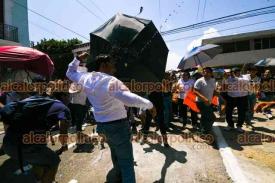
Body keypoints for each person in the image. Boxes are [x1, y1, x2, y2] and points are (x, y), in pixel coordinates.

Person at [66, 52, 155, 183]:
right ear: (103, 65)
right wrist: (150, 105)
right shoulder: (111, 81)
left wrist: (77, 59)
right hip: (118, 127)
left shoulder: (85, 78)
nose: (115, 68)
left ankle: (118, 175)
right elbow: (129, 99)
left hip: (102, 127)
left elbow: (70, 72)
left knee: (114, 150)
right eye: (112, 65)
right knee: (127, 163)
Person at [0, 94, 71, 183]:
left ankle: (39, 179)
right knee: (53, 161)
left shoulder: (33, 100)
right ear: (63, 97)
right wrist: (64, 145)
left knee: (38, 160)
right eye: (68, 96)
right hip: (26, 146)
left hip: (8, 144)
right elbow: (63, 134)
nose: (69, 98)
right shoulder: (63, 108)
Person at [224, 67, 249, 132]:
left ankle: (239, 126)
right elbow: (225, 87)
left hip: (242, 98)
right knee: (228, 112)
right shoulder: (228, 78)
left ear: (239, 72)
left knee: (241, 113)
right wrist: (225, 79)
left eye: (235, 72)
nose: (233, 74)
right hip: (231, 97)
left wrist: (235, 77)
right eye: (232, 72)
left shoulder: (245, 77)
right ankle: (230, 125)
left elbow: (246, 82)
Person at [193, 67, 216, 134]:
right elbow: (195, 91)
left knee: (204, 117)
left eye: (207, 72)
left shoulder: (213, 80)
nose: (205, 73)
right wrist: (204, 99)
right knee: (211, 118)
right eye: (204, 72)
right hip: (201, 102)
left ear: (211, 73)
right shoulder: (199, 80)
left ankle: (202, 130)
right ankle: (206, 132)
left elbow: (213, 90)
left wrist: (216, 93)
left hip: (209, 102)